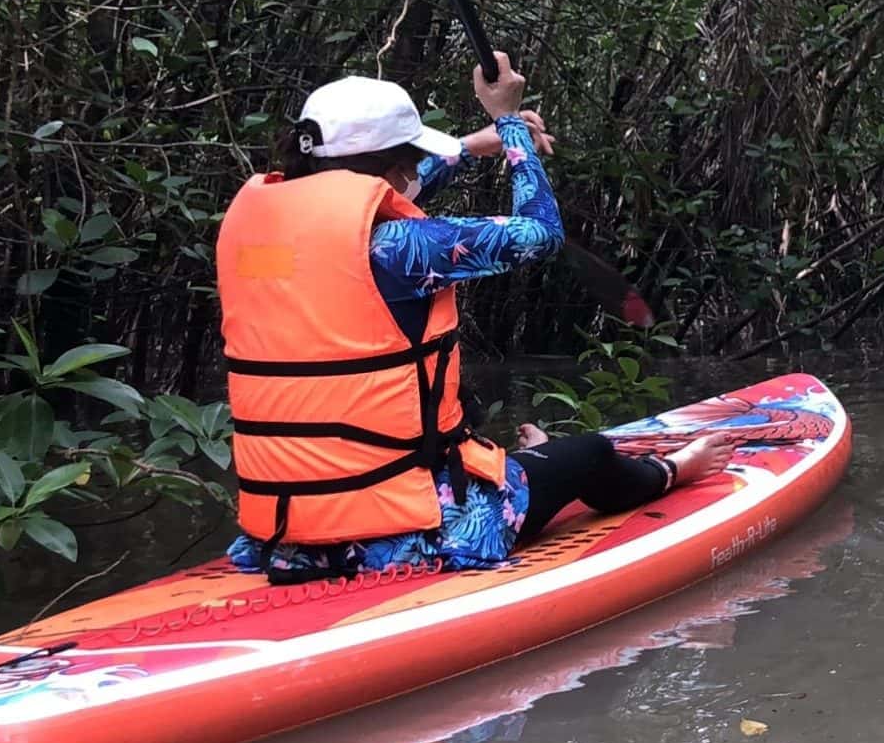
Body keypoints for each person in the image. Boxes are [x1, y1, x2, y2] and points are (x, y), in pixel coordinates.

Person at [213, 53, 730, 583]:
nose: (416, 173)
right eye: (412, 163)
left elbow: (367, 207)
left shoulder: (254, 241)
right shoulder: (398, 249)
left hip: (286, 537)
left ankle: (530, 462)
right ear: (395, 167)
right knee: (592, 453)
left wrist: (471, 145)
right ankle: (671, 471)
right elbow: (539, 233)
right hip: (411, 534)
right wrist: (510, 126)